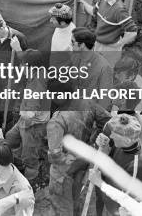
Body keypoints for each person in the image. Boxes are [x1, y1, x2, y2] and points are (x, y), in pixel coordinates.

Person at [46, 80, 111, 216]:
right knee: (77, 200)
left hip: (64, 171)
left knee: (60, 207)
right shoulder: (87, 102)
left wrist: (72, 162)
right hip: (85, 161)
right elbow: (108, 122)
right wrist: (94, 143)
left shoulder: (56, 121)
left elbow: (55, 156)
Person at [5, 50, 50, 184]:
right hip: (24, 120)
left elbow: (30, 113)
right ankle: (17, 162)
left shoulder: (37, 83)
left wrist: (20, 111)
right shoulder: (39, 70)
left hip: (33, 124)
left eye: (23, 65)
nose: (20, 67)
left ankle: (32, 179)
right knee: (10, 137)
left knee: (29, 156)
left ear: (30, 67)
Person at [94, 114, 142, 216]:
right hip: (108, 201)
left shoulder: (139, 169)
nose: (111, 136)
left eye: (114, 134)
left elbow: (126, 203)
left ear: (127, 140)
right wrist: (104, 148)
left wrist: (100, 183)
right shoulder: (126, 144)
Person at [79, 0, 138, 66]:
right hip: (98, 43)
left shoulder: (119, 10)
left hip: (109, 49)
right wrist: (80, 0)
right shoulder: (102, 1)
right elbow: (92, 11)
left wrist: (119, 44)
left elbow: (133, 31)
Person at [70, 27, 114, 109]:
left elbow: (105, 100)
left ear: (82, 45)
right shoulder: (74, 58)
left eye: (73, 42)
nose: (70, 45)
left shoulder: (104, 67)